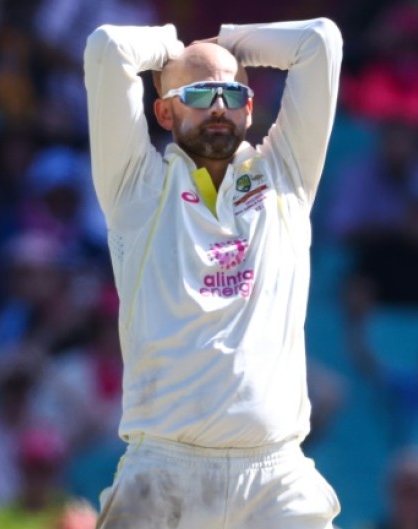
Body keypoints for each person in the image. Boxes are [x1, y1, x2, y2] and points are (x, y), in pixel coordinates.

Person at [83, 17, 343, 528]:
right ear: (162, 110)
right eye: (199, 94)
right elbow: (107, 47)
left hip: (276, 473)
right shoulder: (136, 189)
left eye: (231, 93)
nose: (219, 106)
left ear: (250, 105)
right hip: (162, 472)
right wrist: (178, 45)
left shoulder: (286, 176)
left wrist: (222, 44)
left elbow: (320, 42)